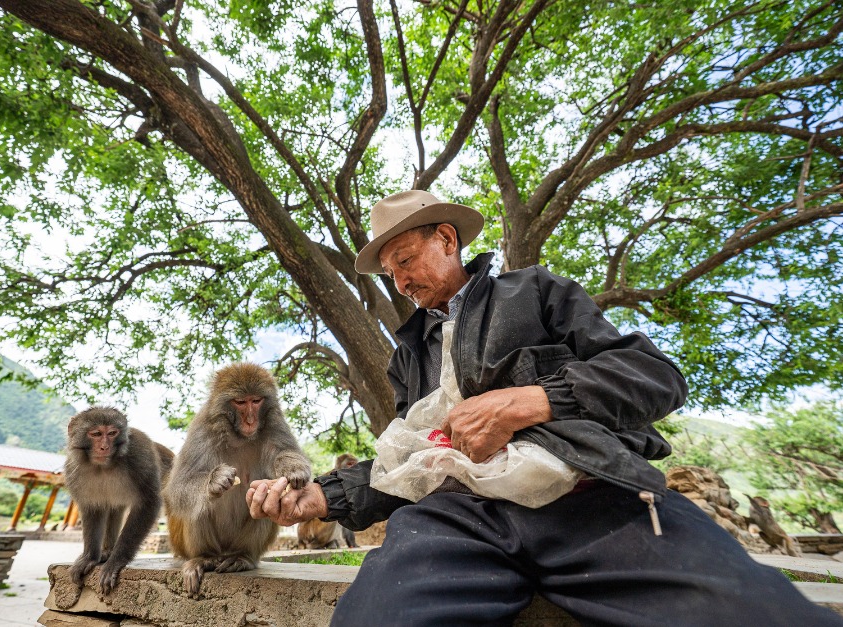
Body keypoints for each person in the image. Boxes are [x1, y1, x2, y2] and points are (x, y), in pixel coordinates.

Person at [247, 190, 842, 626]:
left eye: (405, 260)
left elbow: (655, 378)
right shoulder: (406, 356)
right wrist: (324, 495)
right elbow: (408, 464)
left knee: (752, 614)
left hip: (589, 500)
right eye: (389, 271)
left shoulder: (535, 292)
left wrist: (532, 401)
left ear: (446, 240)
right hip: (456, 520)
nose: (398, 281)